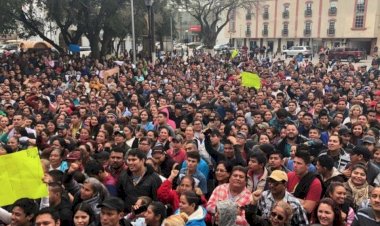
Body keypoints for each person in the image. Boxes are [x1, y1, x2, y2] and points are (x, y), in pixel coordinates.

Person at [287, 149, 322, 214]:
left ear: (307, 166)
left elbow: (308, 208)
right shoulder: (289, 175)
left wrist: (289, 198)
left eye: (299, 163)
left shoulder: (315, 183)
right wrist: (302, 201)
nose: (295, 165)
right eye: (294, 162)